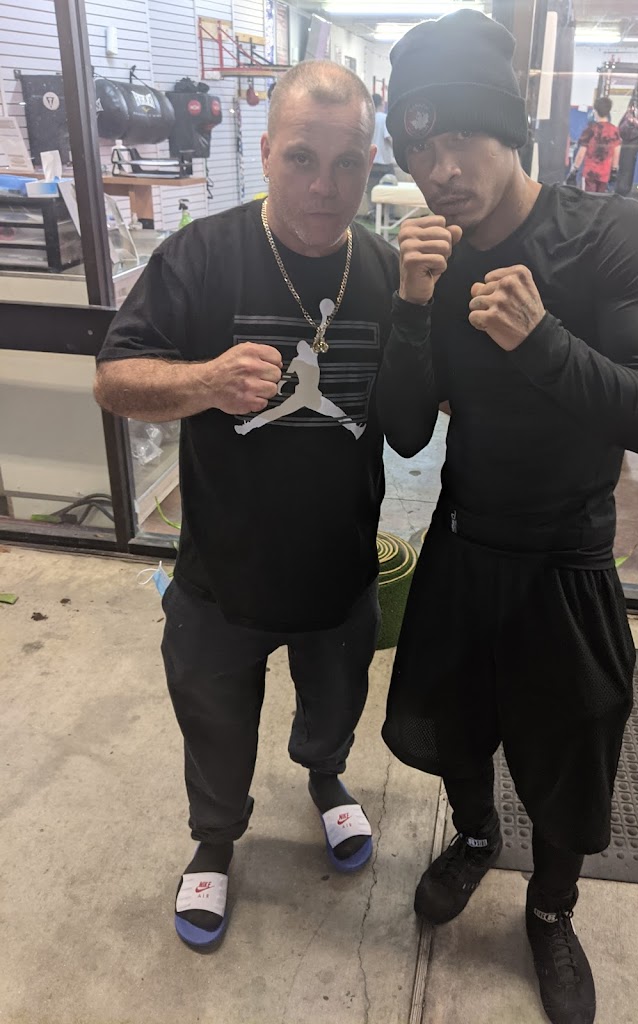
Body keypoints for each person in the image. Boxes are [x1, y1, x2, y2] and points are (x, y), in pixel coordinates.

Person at [376, 11, 638, 1024]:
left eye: (462, 136)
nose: (442, 169)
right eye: (419, 149)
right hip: (466, 542)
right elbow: (406, 431)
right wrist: (411, 305)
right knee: (458, 728)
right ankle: (474, 837)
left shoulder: (607, 233)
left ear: (509, 130)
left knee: (567, 756)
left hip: (569, 554)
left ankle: (550, 910)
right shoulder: (431, 253)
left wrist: (543, 339)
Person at [93, 60, 399, 953]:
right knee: (215, 719)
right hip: (222, 568)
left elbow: (427, 402)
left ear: (370, 164)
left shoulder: (384, 271)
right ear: (265, 153)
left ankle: (326, 779)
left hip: (339, 564)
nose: (323, 187)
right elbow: (114, 379)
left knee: (334, 705)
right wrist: (205, 380)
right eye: (302, 157)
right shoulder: (202, 255)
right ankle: (216, 839)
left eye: (346, 165)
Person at [568, 96, 621, 193]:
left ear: (595, 111)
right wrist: (614, 170)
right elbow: (616, 153)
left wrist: (574, 169)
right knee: (601, 199)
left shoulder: (590, 130)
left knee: (588, 198)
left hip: (589, 173)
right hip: (605, 174)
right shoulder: (614, 130)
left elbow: (581, 154)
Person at [366, 93, 396, 212]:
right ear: (381, 104)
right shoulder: (385, 118)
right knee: (391, 189)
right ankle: (389, 214)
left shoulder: (368, 119)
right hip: (385, 163)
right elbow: (388, 137)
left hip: (372, 162)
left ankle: (373, 213)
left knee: (372, 191)